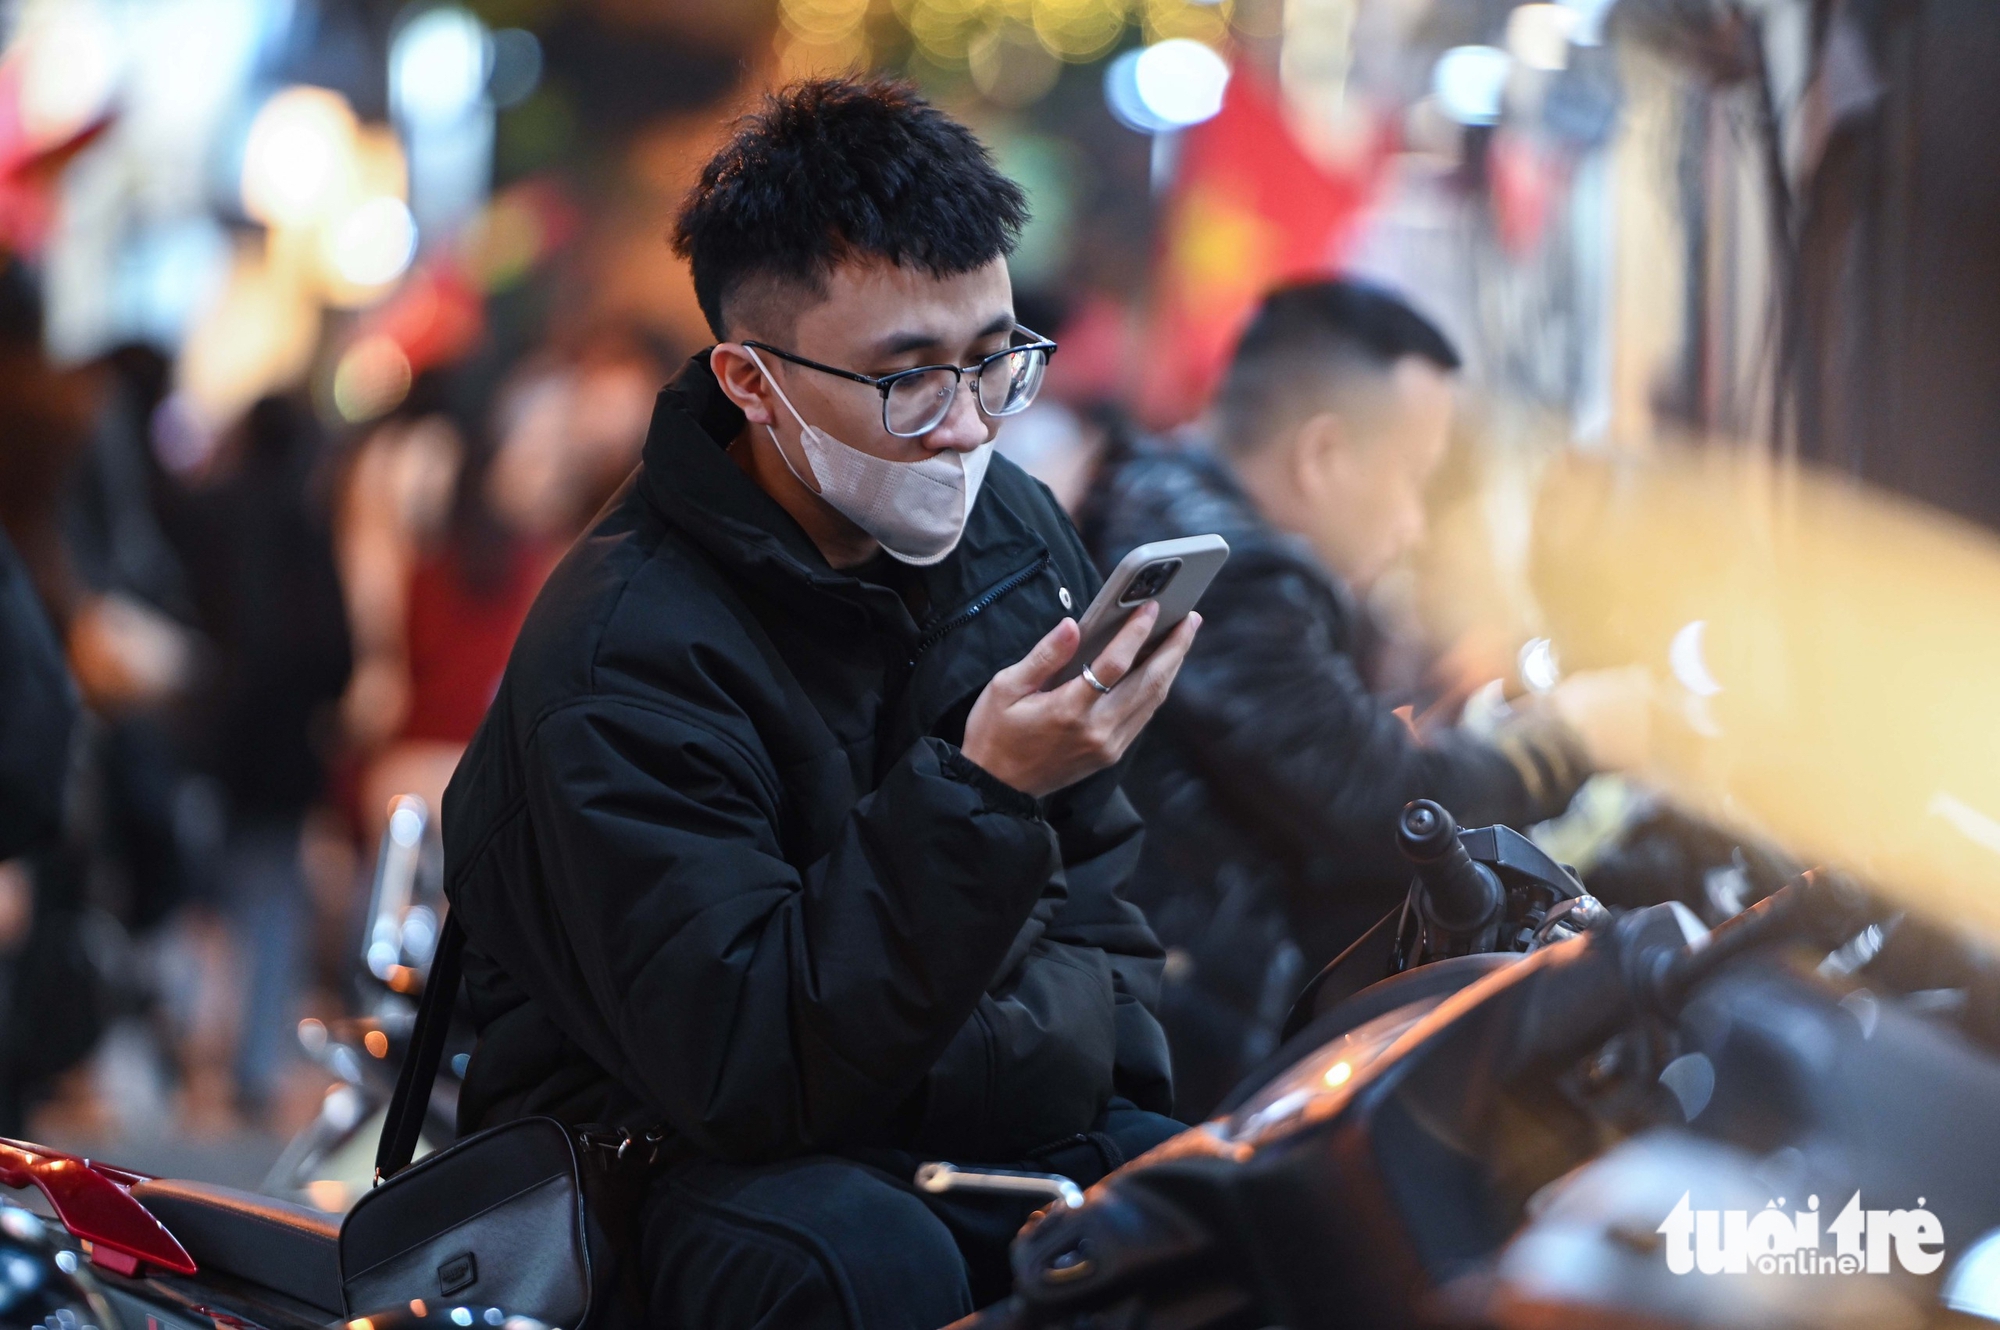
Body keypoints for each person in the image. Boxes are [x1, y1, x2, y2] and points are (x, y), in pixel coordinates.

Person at [442, 78, 1199, 1329]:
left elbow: (1102, 914)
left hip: (941, 1114)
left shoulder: (1014, 532)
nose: (965, 427)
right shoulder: (623, 647)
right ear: (748, 381)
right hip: (660, 1171)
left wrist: (1107, 1111)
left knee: (1209, 1205)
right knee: (855, 1261)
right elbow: (742, 1066)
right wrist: (986, 792)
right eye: (908, 378)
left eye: (994, 359)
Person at [1083, 279, 1635, 1119]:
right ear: (1323, 457)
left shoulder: (1164, 510)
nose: (1414, 524)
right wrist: (1572, 739)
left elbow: (1330, 759)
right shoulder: (1231, 570)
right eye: (1413, 478)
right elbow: (1379, 801)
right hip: (1179, 1083)